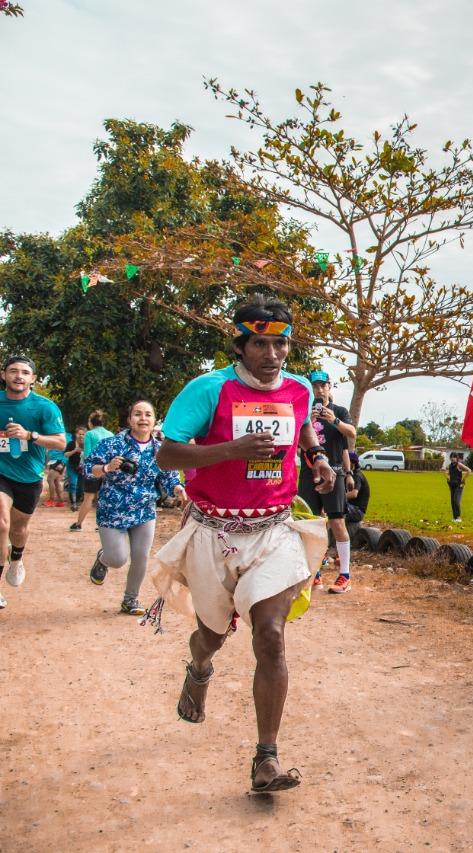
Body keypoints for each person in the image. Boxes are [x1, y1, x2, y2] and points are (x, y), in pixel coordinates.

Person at [151, 296, 336, 794]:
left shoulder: (297, 389)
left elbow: (300, 429)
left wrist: (317, 461)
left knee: (270, 634)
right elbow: (167, 454)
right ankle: (200, 667)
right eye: (261, 343)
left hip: (274, 530)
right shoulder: (208, 389)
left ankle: (267, 759)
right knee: (211, 636)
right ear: (240, 343)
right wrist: (231, 451)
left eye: (281, 343)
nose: (272, 353)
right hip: (214, 532)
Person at [84, 399, 186, 615]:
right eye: (138, 414)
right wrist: (105, 467)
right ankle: (104, 558)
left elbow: (169, 475)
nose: (143, 418)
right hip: (112, 509)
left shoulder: (160, 449)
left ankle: (130, 600)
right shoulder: (113, 444)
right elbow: (86, 467)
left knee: (141, 556)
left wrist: (177, 488)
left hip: (144, 510)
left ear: (154, 420)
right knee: (117, 559)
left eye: (148, 414)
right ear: (130, 419)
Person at [0, 355, 68, 610]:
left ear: (33, 379)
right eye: (13, 371)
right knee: (1, 523)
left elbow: (61, 442)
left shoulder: (44, 407)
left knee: (18, 530)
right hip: (1, 474)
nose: (19, 376)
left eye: (25, 372)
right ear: (4, 375)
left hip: (28, 477)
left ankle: (16, 559)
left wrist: (30, 435)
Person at [300, 370, 357, 594]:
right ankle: (314, 573)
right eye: (316, 386)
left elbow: (351, 435)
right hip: (308, 473)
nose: (320, 389)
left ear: (329, 387)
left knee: (337, 522)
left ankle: (344, 574)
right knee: (309, 523)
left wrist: (334, 420)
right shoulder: (305, 412)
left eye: (323, 385)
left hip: (334, 471)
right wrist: (310, 420)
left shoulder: (339, 411)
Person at [71, 410, 113, 532]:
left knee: (88, 497)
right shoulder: (110, 433)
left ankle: (78, 524)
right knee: (104, 497)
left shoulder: (89, 434)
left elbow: (88, 454)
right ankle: (102, 525)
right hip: (108, 468)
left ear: (91, 422)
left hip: (93, 469)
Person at [446, 451, 471, 523]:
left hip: (459, 486)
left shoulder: (459, 465)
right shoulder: (450, 466)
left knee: (456, 501)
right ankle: (454, 518)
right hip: (452, 486)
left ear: (457, 458)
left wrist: (463, 479)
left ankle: (459, 517)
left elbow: (469, 470)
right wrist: (448, 478)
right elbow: (448, 473)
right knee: (452, 502)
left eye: (454, 457)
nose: (452, 458)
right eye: (451, 457)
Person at [66, 426, 86, 512]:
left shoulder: (87, 444)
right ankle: (73, 503)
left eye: (83, 434)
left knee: (81, 487)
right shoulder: (71, 443)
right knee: (73, 484)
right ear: (76, 434)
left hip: (82, 468)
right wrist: (75, 450)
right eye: (79, 434)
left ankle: (77, 501)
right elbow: (66, 454)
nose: (81, 436)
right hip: (72, 466)